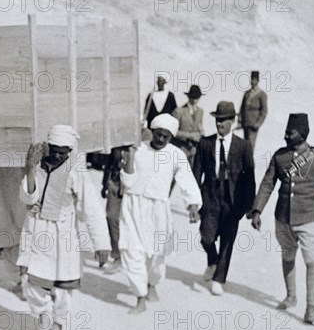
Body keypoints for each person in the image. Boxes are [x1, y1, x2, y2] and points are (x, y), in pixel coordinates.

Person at [18, 125, 111, 330]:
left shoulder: (76, 170)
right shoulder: (38, 164)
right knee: (31, 283)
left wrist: (101, 244)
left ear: (70, 150)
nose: (58, 155)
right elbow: (27, 199)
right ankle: (43, 321)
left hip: (64, 233)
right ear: (48, 146)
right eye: (55, 149)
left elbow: (92, 208)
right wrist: (30, 169)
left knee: (61, 287)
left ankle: (58, 327)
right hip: (38, 228)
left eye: (63, 151)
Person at [250, 113, 314, 324]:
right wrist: (257, 210)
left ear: (302, 134)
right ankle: (291, 296)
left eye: (290, 133)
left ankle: (311, 309)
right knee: (287, 256)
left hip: (309, 219)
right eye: (285, 132)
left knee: (312, 262)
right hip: (283, 218)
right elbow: (267, 184)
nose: (285, 136)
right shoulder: (280, 157)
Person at [119, 114, 202, 314]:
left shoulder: (176, 155)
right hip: (133, 206)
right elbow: (127, 183)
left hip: (158, 211)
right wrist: (130, 156)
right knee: (131, 251)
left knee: (157, 255)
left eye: (166, 136)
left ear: (171, 137)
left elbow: (187, 179)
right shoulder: (138, 149)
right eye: (158, 134)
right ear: (152, 132)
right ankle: (140, 297)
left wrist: (192, 204)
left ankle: (152, 284)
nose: (161, 140)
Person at [193, 101, 256, 295]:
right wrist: (193, 202)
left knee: (228, 240)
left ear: (232, 120)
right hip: (210, 196)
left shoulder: (243, 146)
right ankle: (212, 261)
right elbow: (196, 173)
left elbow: (249, 177)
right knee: (206, 236)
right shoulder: (205, 143)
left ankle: (219, 278)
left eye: (222, 120)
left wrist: (249, 206)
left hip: (233, 199)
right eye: (217, 120)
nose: (219, 124)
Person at [0, 167, 28, 295]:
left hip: (18, 183)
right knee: (11, 235)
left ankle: (23, 280)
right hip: (5, 186)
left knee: (15, 236)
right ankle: (22, 280)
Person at [101, 144, 132, 273]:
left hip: (134, 187)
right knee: (111, 217)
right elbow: (109, 162)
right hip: (115, 182)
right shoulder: (117, 136)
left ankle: (133, 257)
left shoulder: (146, 137)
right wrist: (104, 184)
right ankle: (117, 255)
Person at [172, 84, 205, 168]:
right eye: (192, 97)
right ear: (188, 97)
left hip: (194, 150)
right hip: (181, 148)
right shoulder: (178, 111)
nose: (194, 101)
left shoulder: (200, 112)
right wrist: (189, 136)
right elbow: (172, 131)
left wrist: (201, 133)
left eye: (197, 98)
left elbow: (200, 127)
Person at [238, 71, 268, 152]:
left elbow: (264, 111)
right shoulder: (247, 93)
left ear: (258, 81)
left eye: (254, 79)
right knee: (244, 145)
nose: (252, 81)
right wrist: (240, 121)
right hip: (245, 124)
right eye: (251, 79)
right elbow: (242, 108)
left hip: (253, 125)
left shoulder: (262, 94)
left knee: (250, 146)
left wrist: (258, 123)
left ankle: (249, 164)